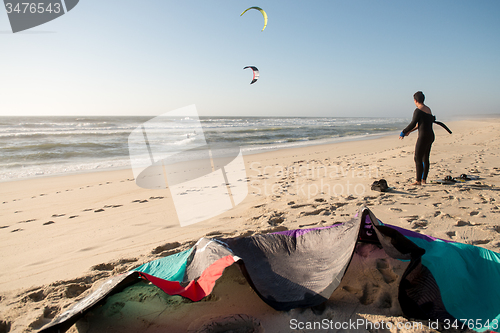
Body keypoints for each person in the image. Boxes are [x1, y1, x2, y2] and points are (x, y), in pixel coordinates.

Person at [399, 91, 435, 185]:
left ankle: (418, 181)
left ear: (415, 100)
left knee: (417, 158)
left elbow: (413, 123)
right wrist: (409, 132)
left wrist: (403, 132)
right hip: (430, 136)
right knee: (425, 158)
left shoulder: (418, 110)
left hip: (423, 137)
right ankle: (424, 180)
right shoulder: (428, 109)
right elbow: (420, 124)